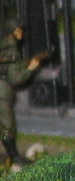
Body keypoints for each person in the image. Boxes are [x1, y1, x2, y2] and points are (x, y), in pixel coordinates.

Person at [0, 20, 47, 166]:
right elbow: (14, 79)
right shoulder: (11, 49)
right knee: (7, 127)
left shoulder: (5, 45)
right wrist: (30, 69)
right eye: (18, 30)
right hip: (2, 94)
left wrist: (27, 62)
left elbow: (11, 66)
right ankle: (14, 156)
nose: (21, 33)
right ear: (11, 32)